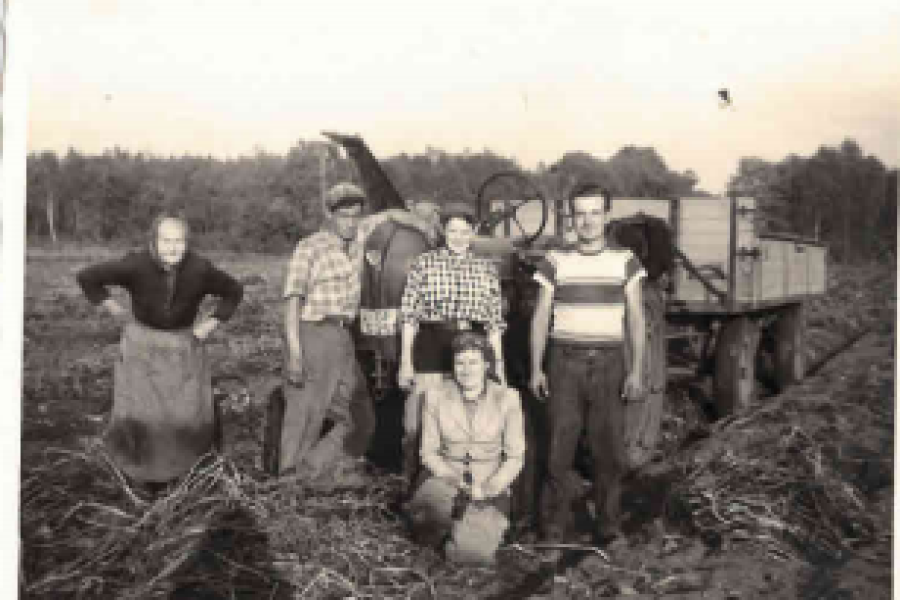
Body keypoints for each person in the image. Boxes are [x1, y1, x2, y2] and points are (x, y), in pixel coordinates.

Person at [281, 182, 437, 479]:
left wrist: (421, 222)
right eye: (343, 215)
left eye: (355, 215)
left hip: (343, 335)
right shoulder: (310, 247)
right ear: (330, 214)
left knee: (360, 419)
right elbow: (292, 301)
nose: (350, 221)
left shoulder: (360, 235)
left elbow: (392, 214)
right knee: (305, 414)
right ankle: (288, 487)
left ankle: (309, 473)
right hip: (311, 331)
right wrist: (294, 353)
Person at [76, 213, 244, 485]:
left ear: (187, 242)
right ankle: (139, 473)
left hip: (184, 349)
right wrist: (113, 307)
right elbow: (88, 277)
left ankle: (185, 472)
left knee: (185, 414)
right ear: (154, 241)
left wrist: (211, 323)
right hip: (141, 349)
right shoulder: (136, 264)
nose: (173, 247)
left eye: (179, 241)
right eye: (166, 240)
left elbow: (234, 291)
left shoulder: (200, 268)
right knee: (143, 413)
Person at [529, 190, 646, 548]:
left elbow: (637, 319)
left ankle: (609, 527)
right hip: (564, 362)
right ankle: (552, 530)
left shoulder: (625, 261)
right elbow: (540, 317)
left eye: (595, 213)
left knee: (608, 450)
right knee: (557, 448)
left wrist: (636, 370)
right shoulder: (554, 260)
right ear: (571, 218)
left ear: (606, 216)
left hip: (610, 363)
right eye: (580, 214)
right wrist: (536, 367)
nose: (587, 221)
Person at [397, 202, 506, 487]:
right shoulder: (425, 263)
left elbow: (494, 323)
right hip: (432, 346)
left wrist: (499, 366)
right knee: (416, 425)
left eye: (465, 230)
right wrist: (406, 363)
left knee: (463, 426)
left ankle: (460, 492)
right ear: (443, 231)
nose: (459, 236)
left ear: (474, 231)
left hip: (471, 346)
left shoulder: (485, 269)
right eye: (452, 230)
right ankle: (413, 487)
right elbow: (409, 316)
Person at [406, 332, 525, 564]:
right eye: (459, 362)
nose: (466, 369)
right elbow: (428, 452)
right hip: (446, 477)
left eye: (473, 362)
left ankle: (473, 527)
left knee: (470, 554)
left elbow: (515, 457)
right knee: (428, 513)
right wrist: (452, 479)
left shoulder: (508, 398)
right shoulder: (435, 396)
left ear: (486, 365)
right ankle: (442, 527)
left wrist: (492, 486)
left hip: (488, 482)